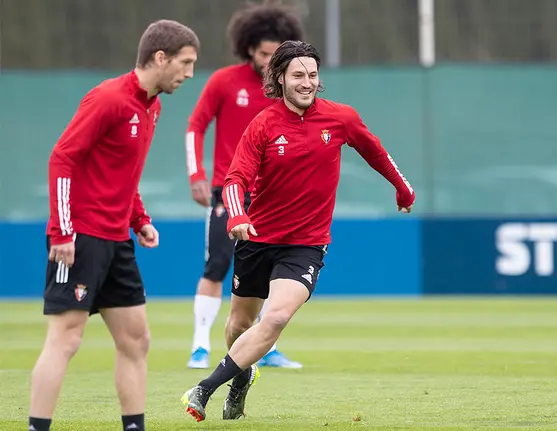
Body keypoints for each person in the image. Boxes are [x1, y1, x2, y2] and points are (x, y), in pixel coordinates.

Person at [180, 40, 415, 422]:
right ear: (280, 79)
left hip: (305, 245)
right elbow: (236, 178)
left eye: (312, 75)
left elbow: (376, 151)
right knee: (239, 324)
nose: (307, 82)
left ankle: (205, 388)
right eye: (298, 75)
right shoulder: (263, 124)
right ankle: (240, 379)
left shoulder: (341, 119)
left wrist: (402, 188)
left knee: (274, 319)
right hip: (257, 239)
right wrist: (237, 217)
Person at [28, 20, 199, 431]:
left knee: (136, 340)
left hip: (117, 241)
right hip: (81, 238)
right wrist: (63, 232)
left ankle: (133, 426)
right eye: (186, 62)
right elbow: (62, 159)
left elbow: (124, 173)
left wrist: (139, 218)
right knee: (66, 340)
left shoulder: (152, 106)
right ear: (161, 58)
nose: (190, 73)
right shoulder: (108, 98)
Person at [185, 1, 304, 371]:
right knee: (217, 263)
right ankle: (199, 347)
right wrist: (196, 175)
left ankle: (265, 348)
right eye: (264, 52)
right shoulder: (224, 81)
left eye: (276, 54)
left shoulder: (289, 88)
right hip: (229, 189)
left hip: (273, 195)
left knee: (274, 271)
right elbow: (196, 126)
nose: (270, 61)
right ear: (249, 47)